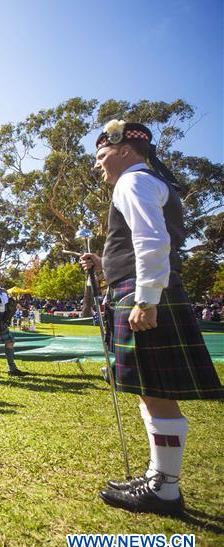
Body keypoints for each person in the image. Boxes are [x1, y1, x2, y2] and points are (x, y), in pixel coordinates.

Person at [80, 120, 222, 515]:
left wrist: (146, 299)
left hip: (144, 296)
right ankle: (159, 477)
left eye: (101, 155)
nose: (97, 164)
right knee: (151, 390)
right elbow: (143, 243)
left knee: (156, 391)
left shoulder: (133, 181)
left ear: (125, 150)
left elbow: (151, 241)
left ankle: (164, 489)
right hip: (144, 289)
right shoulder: (148, 181)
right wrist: (104, 263)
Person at [0, 263, 26, 376]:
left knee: (10, 341)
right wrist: (4, 293)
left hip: (0, 318)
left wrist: (4, 293)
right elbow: (3, 301)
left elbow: (4, 299)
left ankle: (12, 369)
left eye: (0, 275)